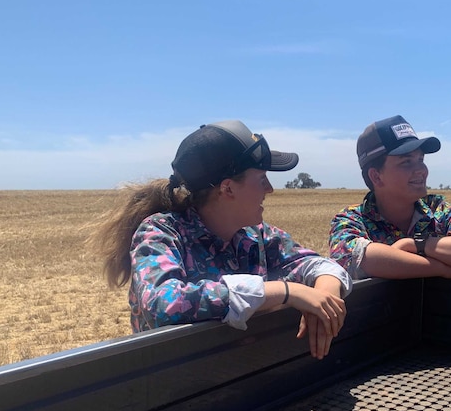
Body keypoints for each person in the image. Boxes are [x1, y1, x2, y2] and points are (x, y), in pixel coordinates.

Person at [92, 120, 351, 359]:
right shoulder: (161, 233)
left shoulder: (257, 235)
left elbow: (317, 265)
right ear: (227, 188)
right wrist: (285, 291)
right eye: (262, 179)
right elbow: (163, 305)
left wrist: (326, 298)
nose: (270, 189)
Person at [329, 115, 451, 279]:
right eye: (406, 162)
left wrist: (418, 245)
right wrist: (442, 269)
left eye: (421, 160)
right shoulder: (352, 219)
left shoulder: (438, 210)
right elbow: (354, 258)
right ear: (376, 176)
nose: (421, 170)